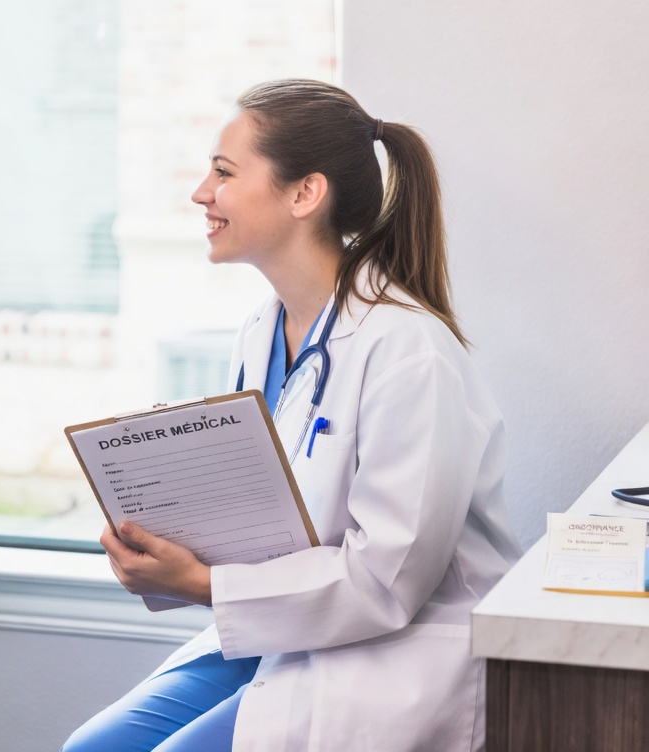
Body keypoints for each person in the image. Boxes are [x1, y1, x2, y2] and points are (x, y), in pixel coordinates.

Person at [64, 79, 523, 751]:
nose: (201, 193)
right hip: (285, 630)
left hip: (393, 652)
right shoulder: (260, 332)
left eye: (223, 172)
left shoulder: (407, 351)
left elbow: (387, 582)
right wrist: (166, 542)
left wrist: (204, 582)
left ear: (305, 194)